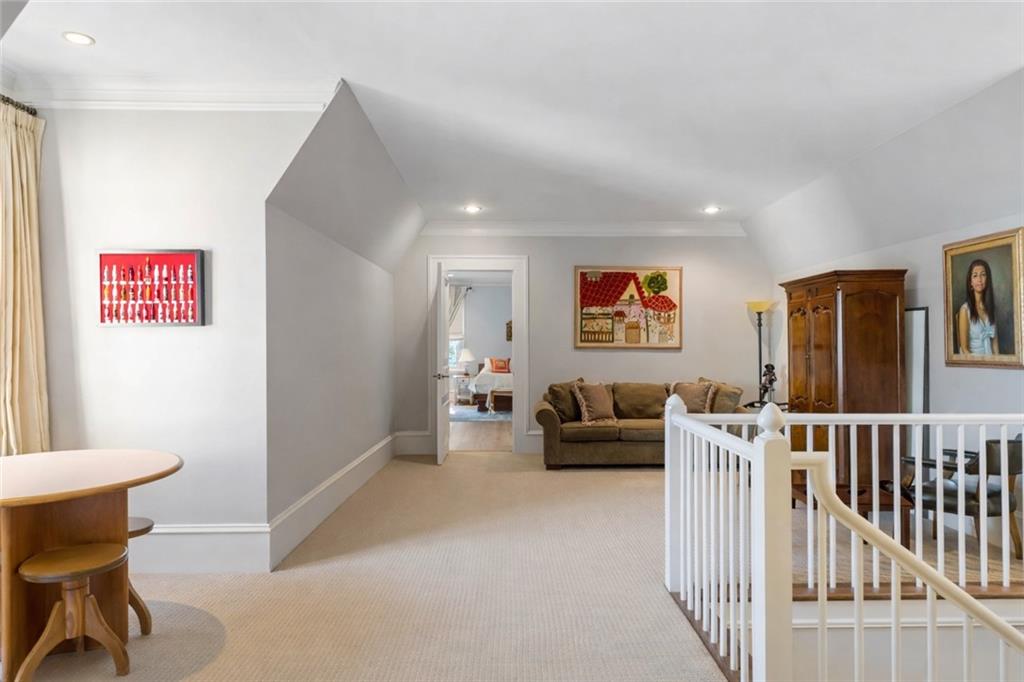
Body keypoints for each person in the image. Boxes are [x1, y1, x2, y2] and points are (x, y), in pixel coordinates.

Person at [958, 259, 999, 355]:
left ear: (987, 279)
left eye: (983, 275)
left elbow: (995, 345)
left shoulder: (990, 308)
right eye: (975, 275)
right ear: (970, 282)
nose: (979, 279)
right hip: (973, 365)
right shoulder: (964, 310)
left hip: (991, 363)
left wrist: (998, 367)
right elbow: (964, 349)